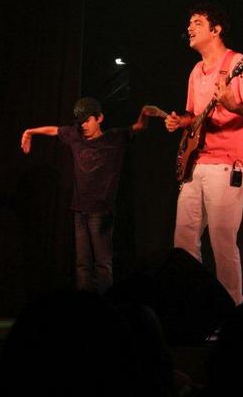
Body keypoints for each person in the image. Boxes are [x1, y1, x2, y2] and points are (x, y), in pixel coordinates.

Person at [164, 4, 243, 305]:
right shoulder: (196, 71)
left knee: (222, 243)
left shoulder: (238, 63)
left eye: (197, 22)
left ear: (216, 29)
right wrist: (180, 122)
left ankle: (232, 310)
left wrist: (233, 105)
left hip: (226, 165)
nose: (189, 28)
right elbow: (195, 117)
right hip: (197, 164)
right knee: (183, 242)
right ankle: (194, 305)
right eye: (189, 22)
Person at [21, 97, 164, 294]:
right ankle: (85, 309)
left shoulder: (114, 138)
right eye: (80, 122)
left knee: (102, 264)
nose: (83, 126)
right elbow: (54, 130)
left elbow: (139, 126)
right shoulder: (75, 135)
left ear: (99, 118)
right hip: (79, 210)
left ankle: (104, 309)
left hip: (101, 212)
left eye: (87, 120)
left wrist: (144, 113)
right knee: (82, 264)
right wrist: (29, 132)